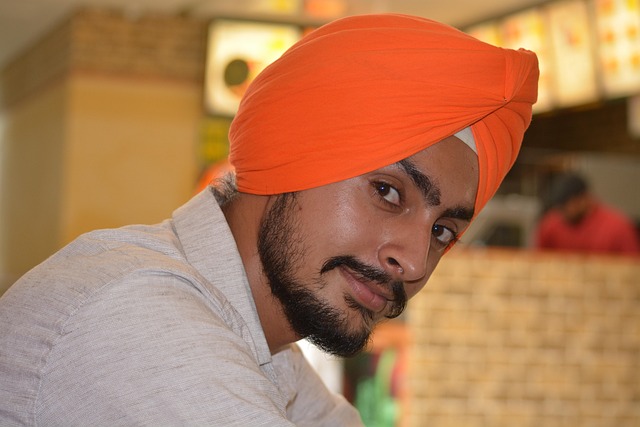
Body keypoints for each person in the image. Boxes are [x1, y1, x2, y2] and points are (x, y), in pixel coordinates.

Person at [0, 14, 539, 426]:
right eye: (387, 192)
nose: (415, 261)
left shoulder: (267, 352)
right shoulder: (139, 317)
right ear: (289, 157)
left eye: (443, 231)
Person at [534, 172, 640, 255]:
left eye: (569, 205)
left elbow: (633, 267)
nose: (564, 212)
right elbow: (539, 261)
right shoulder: (551, 224)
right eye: (561, 207)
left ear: (584, 198)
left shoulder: (618, 228)